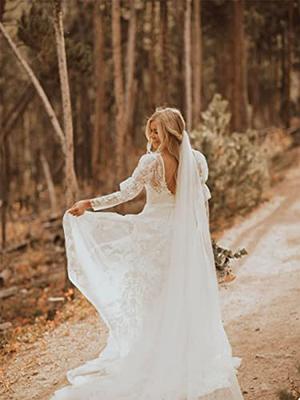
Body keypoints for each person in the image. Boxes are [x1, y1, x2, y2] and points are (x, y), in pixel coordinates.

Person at [51, 107, 244, 400]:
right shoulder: (197, 161)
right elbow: (199, 203)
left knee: (157, 302)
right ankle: (178, 359)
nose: (152, 136)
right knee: (171, 299)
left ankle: (160, 364)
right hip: (175, 240)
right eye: (150, 130)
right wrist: (201, 243)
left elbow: (126, 194)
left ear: (170, 131)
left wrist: (89, 203)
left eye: (157, 131)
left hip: (155, 240)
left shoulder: (151, 162)